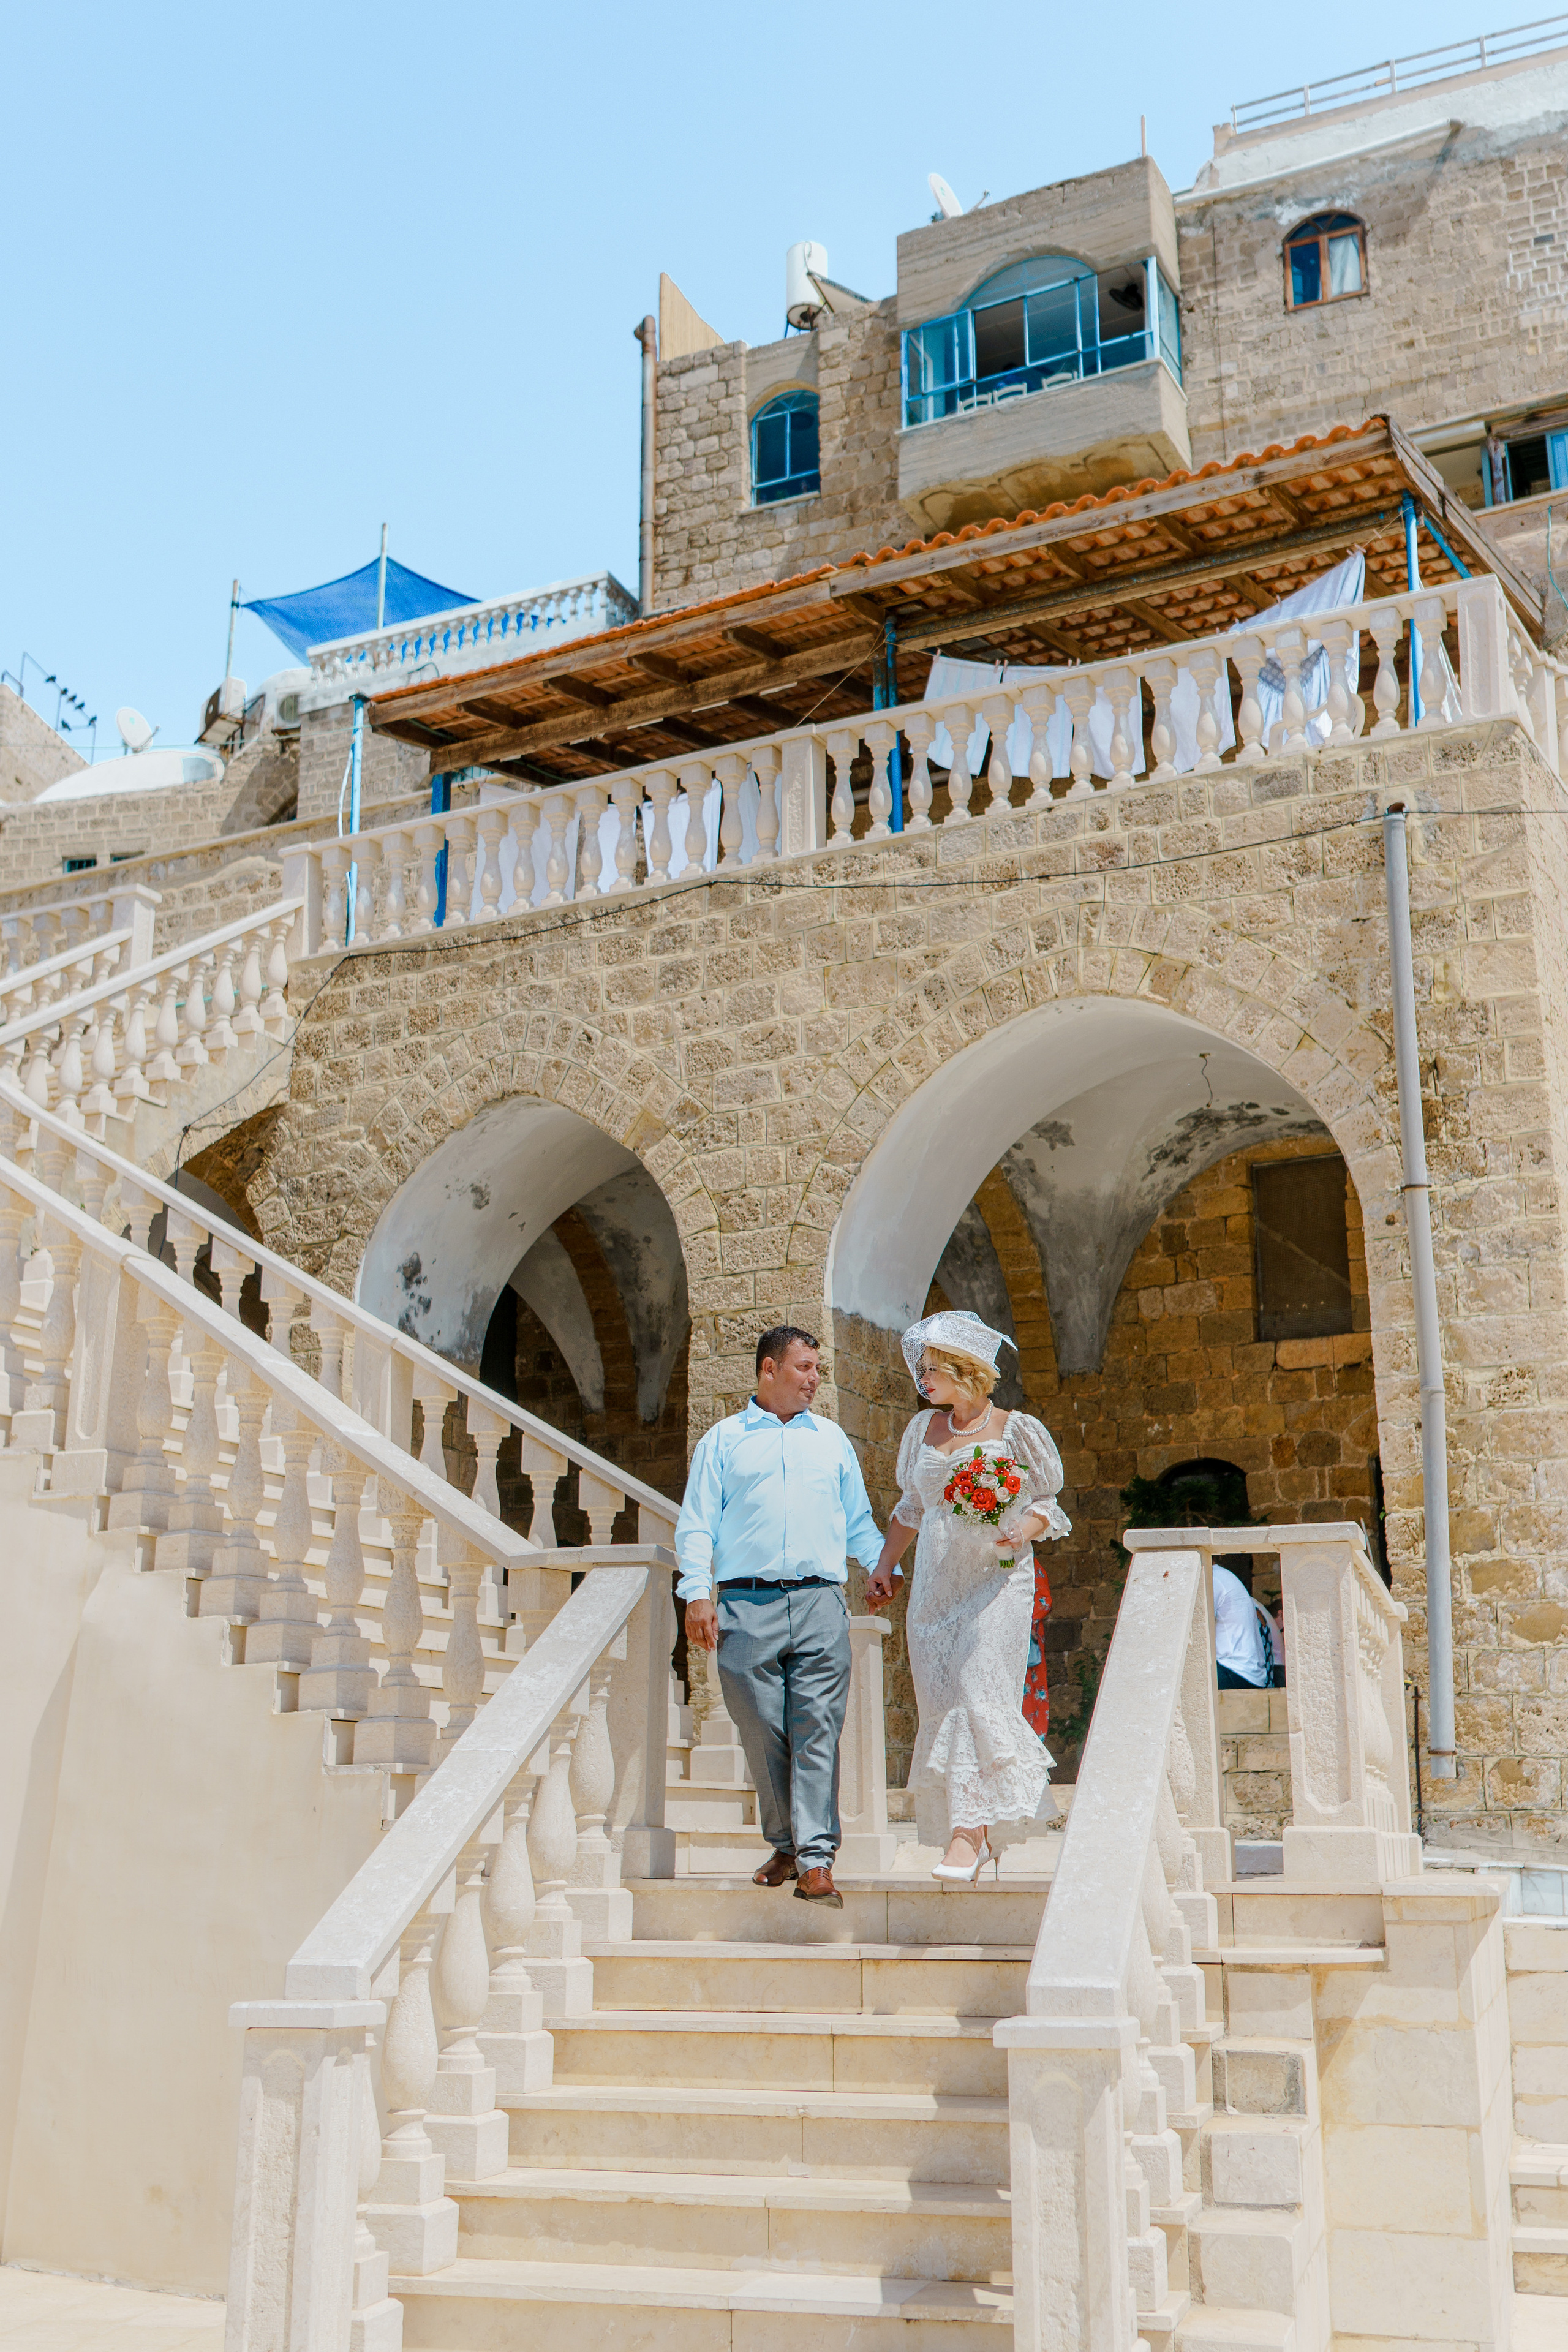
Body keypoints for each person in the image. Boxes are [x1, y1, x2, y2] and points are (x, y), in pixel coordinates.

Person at [676, 1324, 883, 1909]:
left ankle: (816, 1860)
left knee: (817, 1729)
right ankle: (787, 1843)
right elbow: (697, 1525)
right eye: (804, 1368)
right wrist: (697, 1593)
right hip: (745, 1602)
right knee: (762, 1729)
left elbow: (859, 1520)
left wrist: (877, 1564)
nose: (815, 1378)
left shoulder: (832, 1441)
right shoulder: (723, 1441)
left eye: (818, 1368)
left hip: (821, 1602)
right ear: (769, 1369)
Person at [864, 1311, 1071, 1884]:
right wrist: (885, 1564)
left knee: (979, 1690)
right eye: (923, 1369)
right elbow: (911, 1508)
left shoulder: (1017, 1429)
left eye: (934, 1369)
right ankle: (975, 1829)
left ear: (967, 1370)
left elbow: (1047, 1503)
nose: (924, 1379)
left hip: (998, 1580)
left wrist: (1020, 1532)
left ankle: (969, 1834)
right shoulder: (920, 1431)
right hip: (935, 1584)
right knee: (942, 1700)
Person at [1213, 1561, 1280, 1689]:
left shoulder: (1214, 1578)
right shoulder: (1223, 1576)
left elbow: (1194, 1627)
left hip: (1236, 1669)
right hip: (1254, 1674)